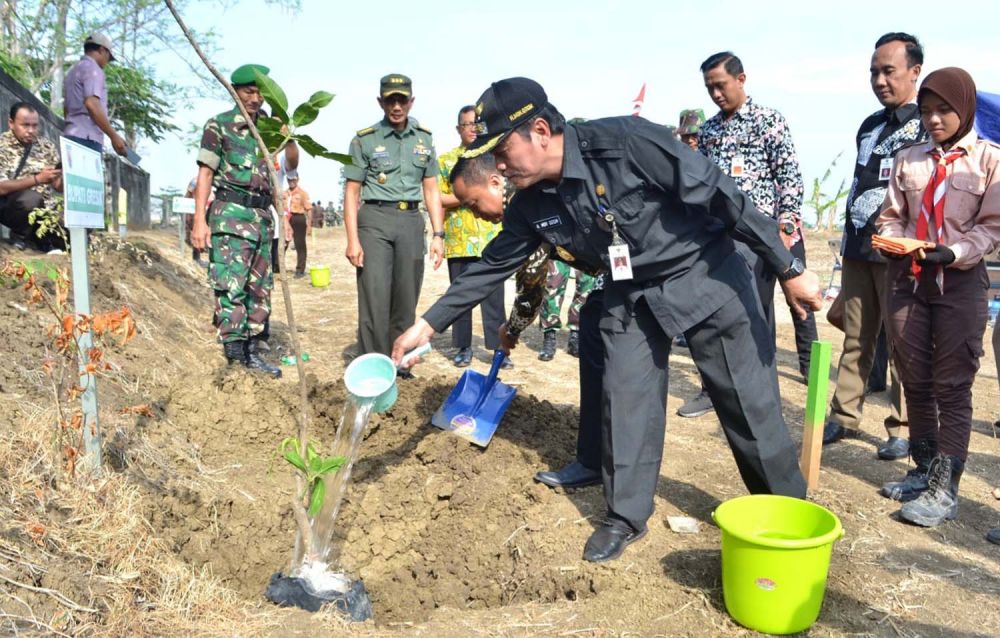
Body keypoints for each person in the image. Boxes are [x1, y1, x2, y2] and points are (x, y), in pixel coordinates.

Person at [392, 77, 822, 562]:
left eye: (503, 150)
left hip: (704, 272)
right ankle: (624, 516)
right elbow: (491, 267)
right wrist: (425, 326)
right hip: (629, 290)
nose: (498, 165)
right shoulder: (531, 203)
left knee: (746, 401)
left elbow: (721, 196)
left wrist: (790, 268)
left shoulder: (626, 143)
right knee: (625, 395)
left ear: (539, 129)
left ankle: (790, 516)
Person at [877, 67, 1000, 528]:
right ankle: (922, 469)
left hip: (960, 283)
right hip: (907, 280)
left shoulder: (989, 161)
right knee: (915, 378)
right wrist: (890, 238)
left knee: (952, 386)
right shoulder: (909, 159)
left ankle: (945, 488)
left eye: (943, 109)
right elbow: (892, 215)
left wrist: (953, 252)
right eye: (926, 111)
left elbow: (992, 227)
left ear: (964, 108)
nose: (933, 119)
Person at [450, 152, 605, 488]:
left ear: (495, 183)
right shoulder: (523, 210)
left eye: (474, 203)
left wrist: (512, 330)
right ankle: (599, 458)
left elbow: (530, 288)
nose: (474, 213)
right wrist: (513, 328)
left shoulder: (526, 207)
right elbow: (531, 285)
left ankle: (604, 460)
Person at [683, 51, 816, 419]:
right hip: (721, 237)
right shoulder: (709, 131)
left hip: (763, 234)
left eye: (721, 86)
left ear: (741, 80)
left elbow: (789, 179)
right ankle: (714, 389)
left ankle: (764, 394)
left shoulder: (768, 121)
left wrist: (787, 230)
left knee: (760, 314)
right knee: (718, 312)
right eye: (709, 88)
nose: (716, 94)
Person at [824, 33, 925, 460]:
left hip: (898, 247)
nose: (880, 80)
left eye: (889, 70)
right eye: (874, 72)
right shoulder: (869, 125)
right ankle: (844, 415)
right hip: (857, 247)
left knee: (902, 339)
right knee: (856, 336)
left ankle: (903, 427)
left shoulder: (927, 123)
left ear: (914, 72)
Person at [191, 63, 290, 379]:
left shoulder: (269, 132)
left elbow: (278, 175)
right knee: (231, 286)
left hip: (262, 220)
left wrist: (283, 220)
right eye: (249, 91)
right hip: (230, 220)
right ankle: (236, 359)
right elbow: (205, 173)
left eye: (261, 92)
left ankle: (253, 352)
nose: (256, 98)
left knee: (259, 288)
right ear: (235, 91)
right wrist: (198, 221)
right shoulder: (218, 126)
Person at [343, 73, 446, 360]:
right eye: (391, 100)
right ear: (381, 102)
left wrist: (438, 234)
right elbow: (352, 193)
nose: (397, 106)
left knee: (405, 300)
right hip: (374, 221)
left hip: (411, 223)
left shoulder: (424, 139)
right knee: (374, 298)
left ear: (411, 102)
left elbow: (431, 188)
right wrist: (353, 240)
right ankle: (372, 366)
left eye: (402, 100)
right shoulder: (364, 140)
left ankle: (398, 362)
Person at [438, 105, 507, 368]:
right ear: (458, 129)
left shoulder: (492, 158)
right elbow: (437, 197)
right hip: (459, 240)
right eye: (467, 124)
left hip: (491, 239)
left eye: (476, 125)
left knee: (494, 299)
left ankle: (497, 349)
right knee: (461, 297)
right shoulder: (445, 161)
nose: (472, 129)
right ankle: (463, 347)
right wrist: (469, 195)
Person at [0, 102, 64, 252]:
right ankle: (20, 237)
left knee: (78, 226)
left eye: (35, 126)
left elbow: (58, 187)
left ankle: (38, 238)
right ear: (11, 123)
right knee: (32, 199)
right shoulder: (2, 145)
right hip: (12, 205)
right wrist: (37, 179)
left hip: (44, 210)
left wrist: (62, 174)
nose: (31, 130)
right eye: (25, 125)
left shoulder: (46, 146)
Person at [63, 33, 127, 156]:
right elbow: (92, 103)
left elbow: (66, 109)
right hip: (87, 140)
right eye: (109, 57)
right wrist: (114, 136)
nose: (107, 62)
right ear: (102, 50)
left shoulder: (73, 71)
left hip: (70, 136)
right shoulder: (93, 69)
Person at [284, 174, 311, 278]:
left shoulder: (302, 193)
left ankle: (300, 270)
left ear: (298, 179)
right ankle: (277, 267)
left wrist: (309, 225)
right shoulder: (284, 193)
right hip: (286, 218)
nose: (291, 181)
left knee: (300, 244)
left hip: (298, 218)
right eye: (289, 179)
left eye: (293, 179)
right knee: (283, 243)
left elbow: (309, 209)